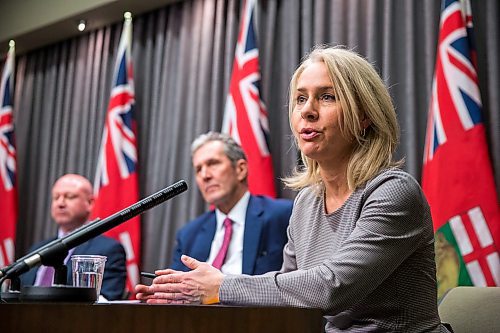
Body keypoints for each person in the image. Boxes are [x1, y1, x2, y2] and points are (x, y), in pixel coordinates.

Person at [135, 46, 451, 332]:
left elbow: (331, 288)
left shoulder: (392, 192)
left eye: (327, 96)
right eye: (301, 98)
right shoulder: (306, 203)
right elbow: (286, 292)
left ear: (365, 114)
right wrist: (191, 293)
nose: (307, 111)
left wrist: (221, 286)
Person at [170, 132, 292, 275]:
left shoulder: (283, 216)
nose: (205, 176)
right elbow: (175, 291)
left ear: (240, 169)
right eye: (198, 170)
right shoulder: (188, 235)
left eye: (213, 164)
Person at [20, 174, 127, 301]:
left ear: (90, 203)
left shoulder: (108, 249)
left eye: (69, 197)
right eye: (56, 197)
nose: (60, 203)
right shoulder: (37, 249)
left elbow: (108, 300)